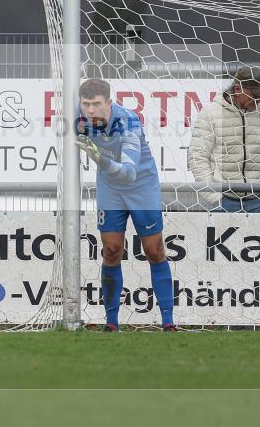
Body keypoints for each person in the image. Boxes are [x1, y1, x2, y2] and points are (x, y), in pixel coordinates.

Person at [75, 78, 176, 332]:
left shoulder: (129, 122)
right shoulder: (78, 118)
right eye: (86, 104)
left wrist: (101, 161)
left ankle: (168, 321)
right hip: (110, 189)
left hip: (141, 186)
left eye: (96, 104)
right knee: (111, 250)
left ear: (109, 102)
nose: (90, 110)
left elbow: (129, 174)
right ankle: (111, 322)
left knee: (154, 250)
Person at [187, 67, 260, 212]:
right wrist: (214, 197)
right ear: (238, 88)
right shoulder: (211, 113)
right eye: (255, 95)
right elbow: (197, 156)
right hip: (222, 202)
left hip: (258, 201)